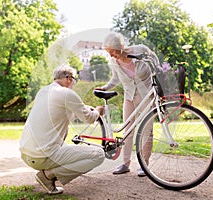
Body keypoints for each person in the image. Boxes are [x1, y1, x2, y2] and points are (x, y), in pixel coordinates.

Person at [20, 65, 105, 194]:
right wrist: (98, 111)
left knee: (65, 146)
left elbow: (62, 112)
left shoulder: (43, 91)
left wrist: (83, 108)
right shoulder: (67, 93)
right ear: (69, 78)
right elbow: (89, 118)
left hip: (26, 153)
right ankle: (47, 176)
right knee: (99, 155)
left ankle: (49, 174)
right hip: (43, 156)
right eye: (75, 80)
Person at [95, 32, 159, 176]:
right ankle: (125, 163)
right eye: (108, 52)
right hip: (129, 96)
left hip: (146, 95)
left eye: (112, 51)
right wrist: (105, 88)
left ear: (120, 47)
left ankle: (144, 165)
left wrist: (159, 74)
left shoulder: (140, 50)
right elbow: (115, 79)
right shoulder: (113, 61)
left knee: (146, 131)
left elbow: (155, 62)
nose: (111, 55)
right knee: (128, 130)